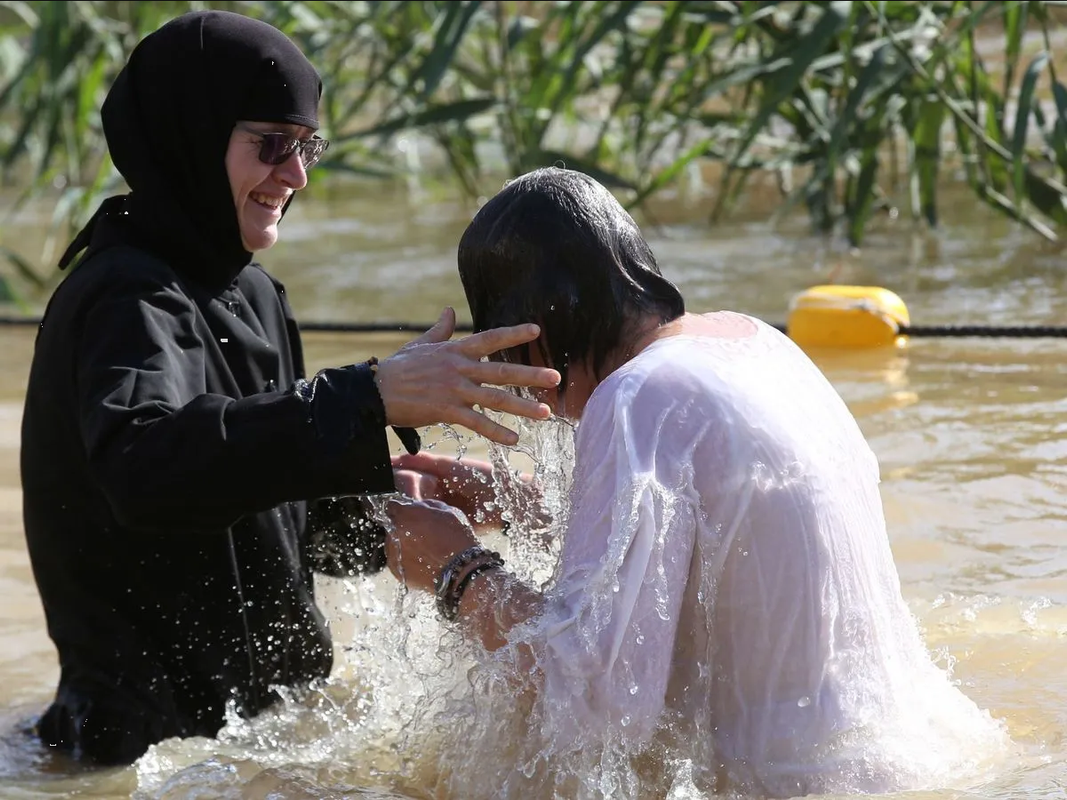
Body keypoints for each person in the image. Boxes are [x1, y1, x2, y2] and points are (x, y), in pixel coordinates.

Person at [18, 11, 560, 767]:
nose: (296, 175)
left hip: (259, 739)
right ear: (189, 136)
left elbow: (251, 506)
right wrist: (366, 396)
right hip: (136, 755)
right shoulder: (122, 299)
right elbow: (145, 474)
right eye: (271, 145)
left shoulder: (254, 294)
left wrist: (389, 505)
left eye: (306, 147)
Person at [383, 167, 1010, 798]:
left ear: (535, 325)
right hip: (928, 759)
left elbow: (595, 698)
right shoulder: (757, 342)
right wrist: (522, 504)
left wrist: (454, 568)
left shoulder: (634, 397)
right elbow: (720, 548)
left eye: (502, 352)